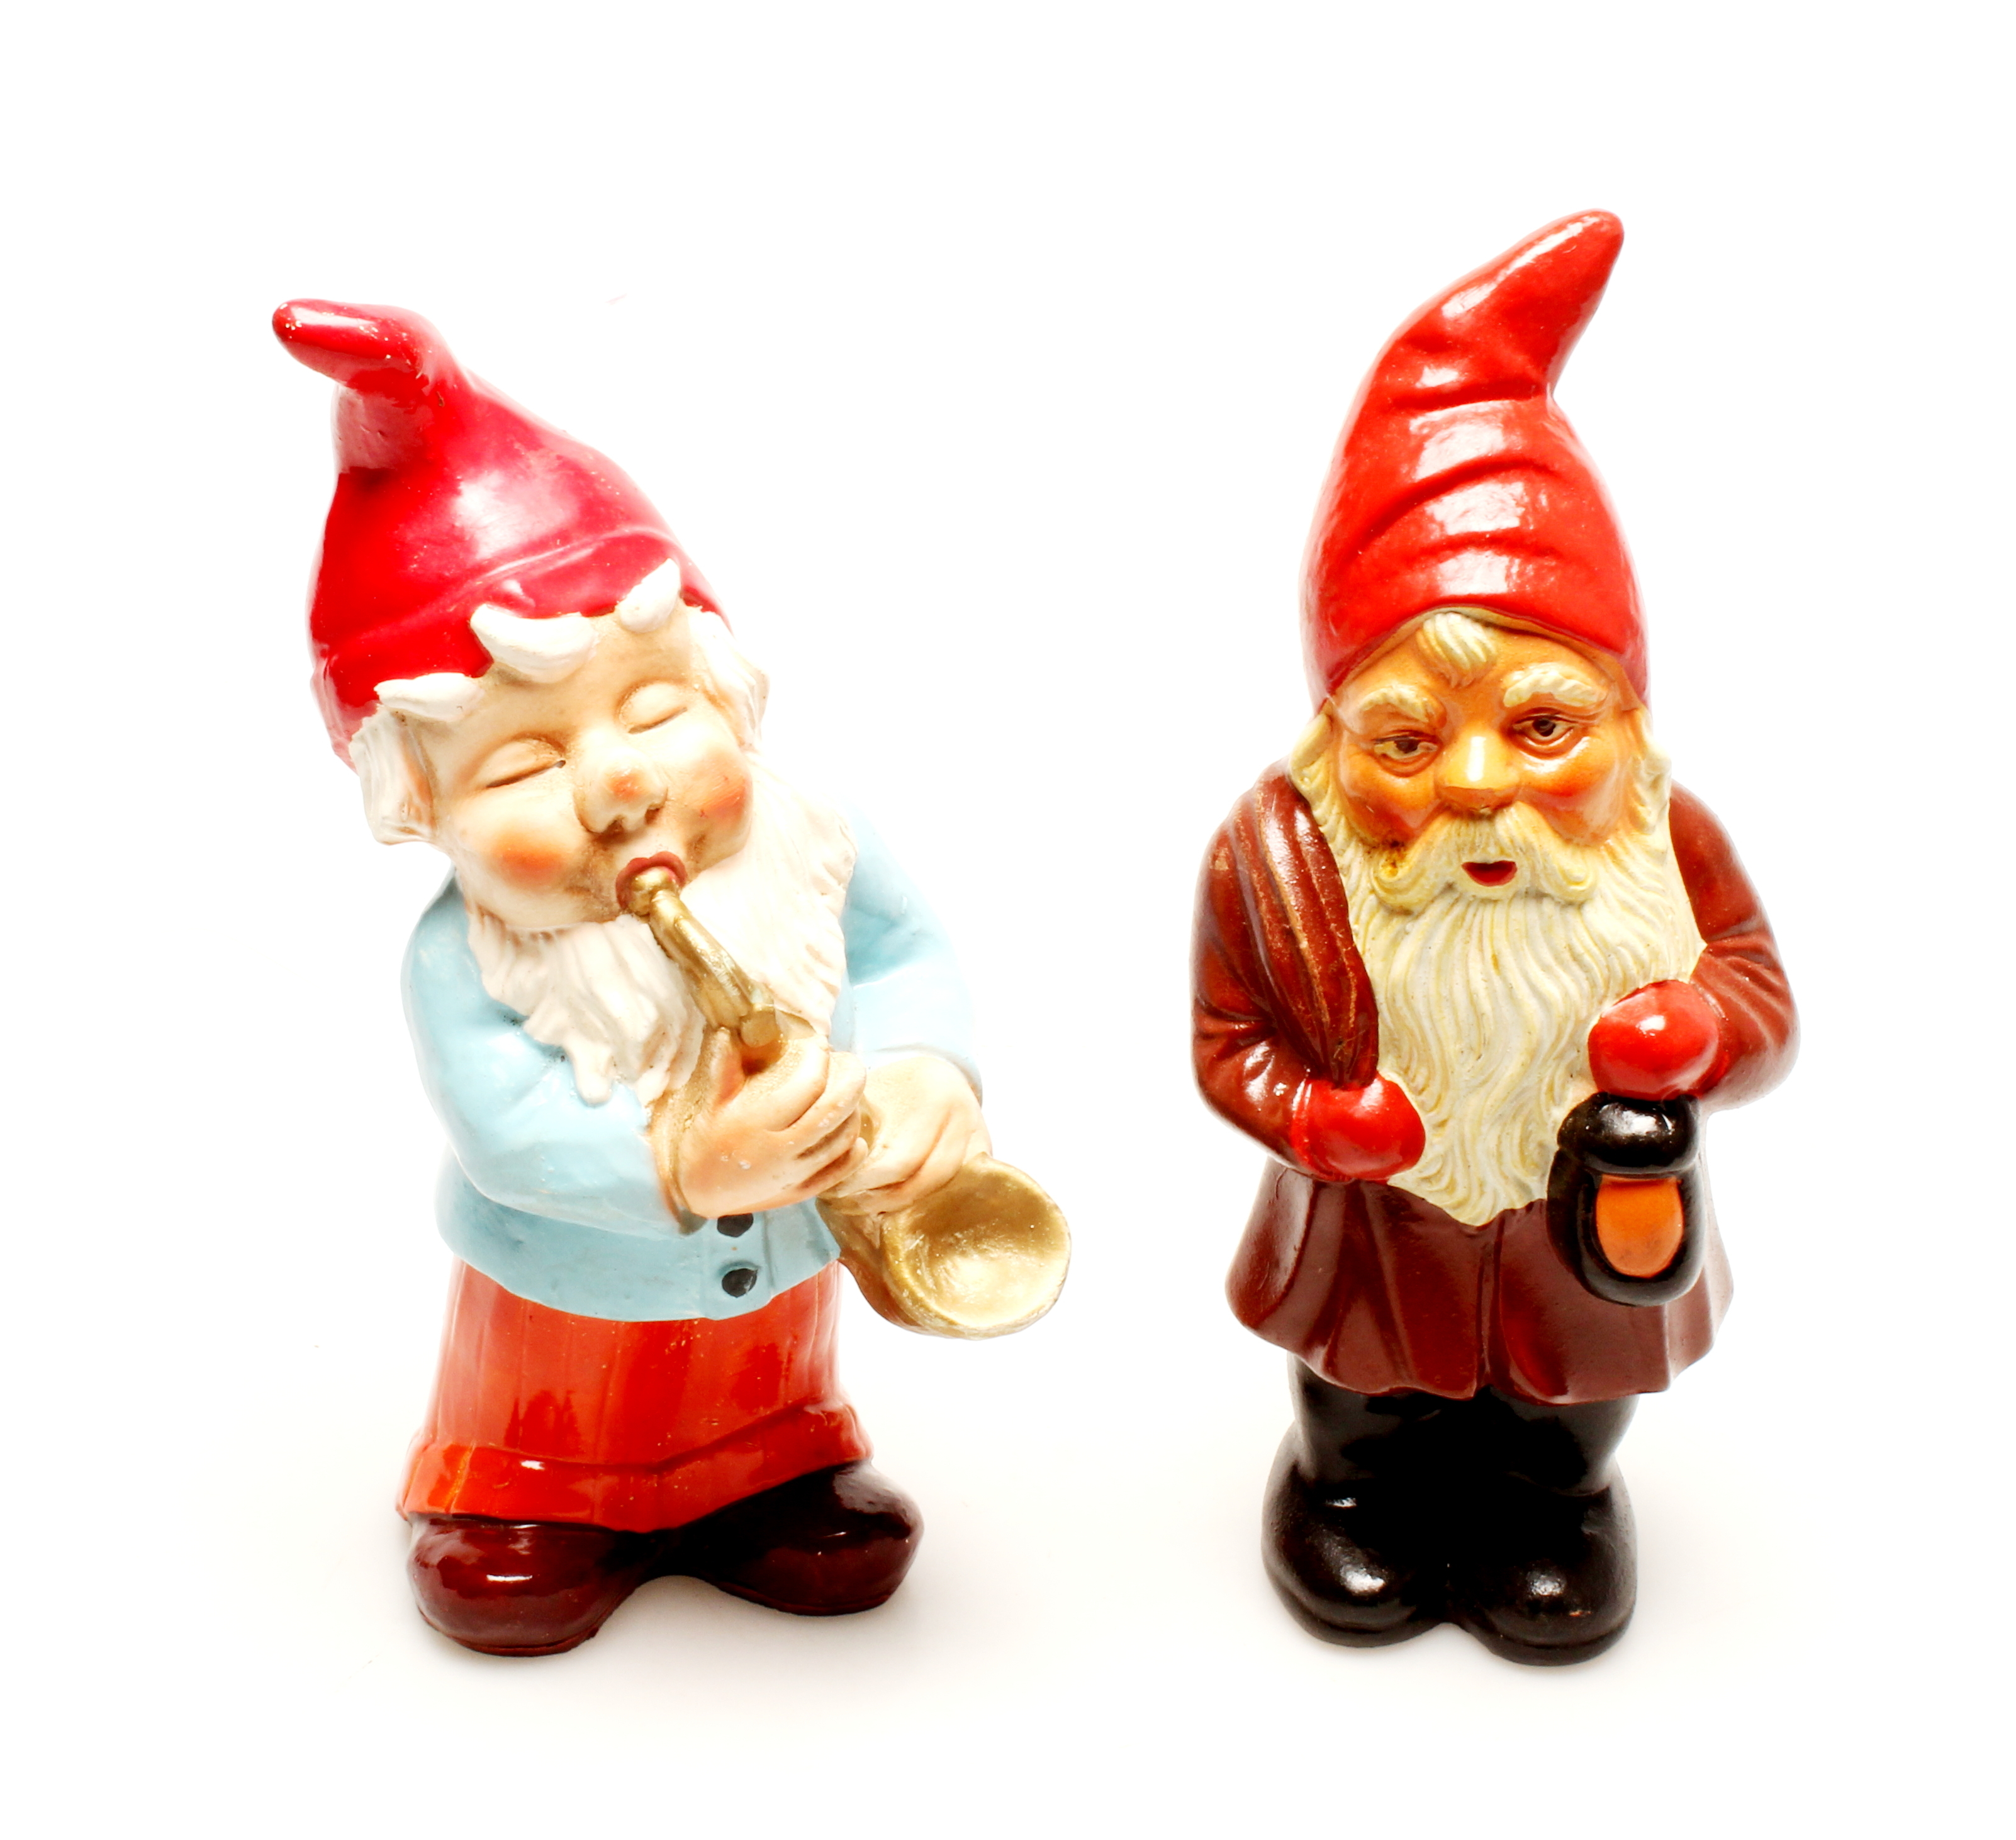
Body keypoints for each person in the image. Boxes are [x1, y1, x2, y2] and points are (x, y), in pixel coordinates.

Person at [277, 300, 993, 1657]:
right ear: (429, 814)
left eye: (656, 710)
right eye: (524, 765)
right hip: (566, 1305)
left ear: (726, 693)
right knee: (558, 1400)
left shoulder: (816, 843)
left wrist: (922, 1076)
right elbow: (506, 1132)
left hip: (785, 1275)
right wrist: (683, 1164)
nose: (617, 785)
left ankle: (774, 1472)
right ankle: (529, 1502)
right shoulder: (465, 954)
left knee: (769, 1381)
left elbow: (906, 959)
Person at [1191, 213, 1796, 1665]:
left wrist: (1704, 1032)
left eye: (1540, 727)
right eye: (1408, 739)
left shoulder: (1669, 839)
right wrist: (1312, 1118)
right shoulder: (1275, 861)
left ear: (1625, 724)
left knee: (1569, 1406)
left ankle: (1554, 1512)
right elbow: (1228, 1044)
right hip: (1374, 1227)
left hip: (1586, 1222)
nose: (1476, 784)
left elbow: (1759, 992)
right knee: (1360, 1393)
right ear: (1337, 742)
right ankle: (1350, 1495)